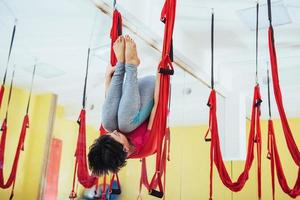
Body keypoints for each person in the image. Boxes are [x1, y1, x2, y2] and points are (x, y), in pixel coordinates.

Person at [88, 35, 159, 176]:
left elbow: (109, 102)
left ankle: (122, 64)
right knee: (125, 125)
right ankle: (131, 65)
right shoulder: (145, 148)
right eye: (117, 135)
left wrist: (108, 76)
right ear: (126, 149)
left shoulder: (108, 139)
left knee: (108, 123)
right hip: (152, 90)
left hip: (130, 88)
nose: (113, 132)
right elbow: (158, 107)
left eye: (111, 134)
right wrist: (162, 76)